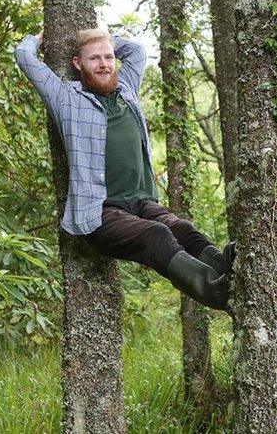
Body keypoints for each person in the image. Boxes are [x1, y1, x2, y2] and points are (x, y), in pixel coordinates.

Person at [14, 28, 235, 311]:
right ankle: (214, 292)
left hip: (140, 203)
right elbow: (24, 56)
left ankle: (229, 273)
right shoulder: (65, 99)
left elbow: (137, 51)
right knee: (158, 235)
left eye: (108, 57)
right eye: (94, 59)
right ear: (77, 64)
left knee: (184, 229)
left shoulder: (126, 87)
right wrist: (39, 39)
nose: (104, 64)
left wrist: (106, 41)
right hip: (101, 212)